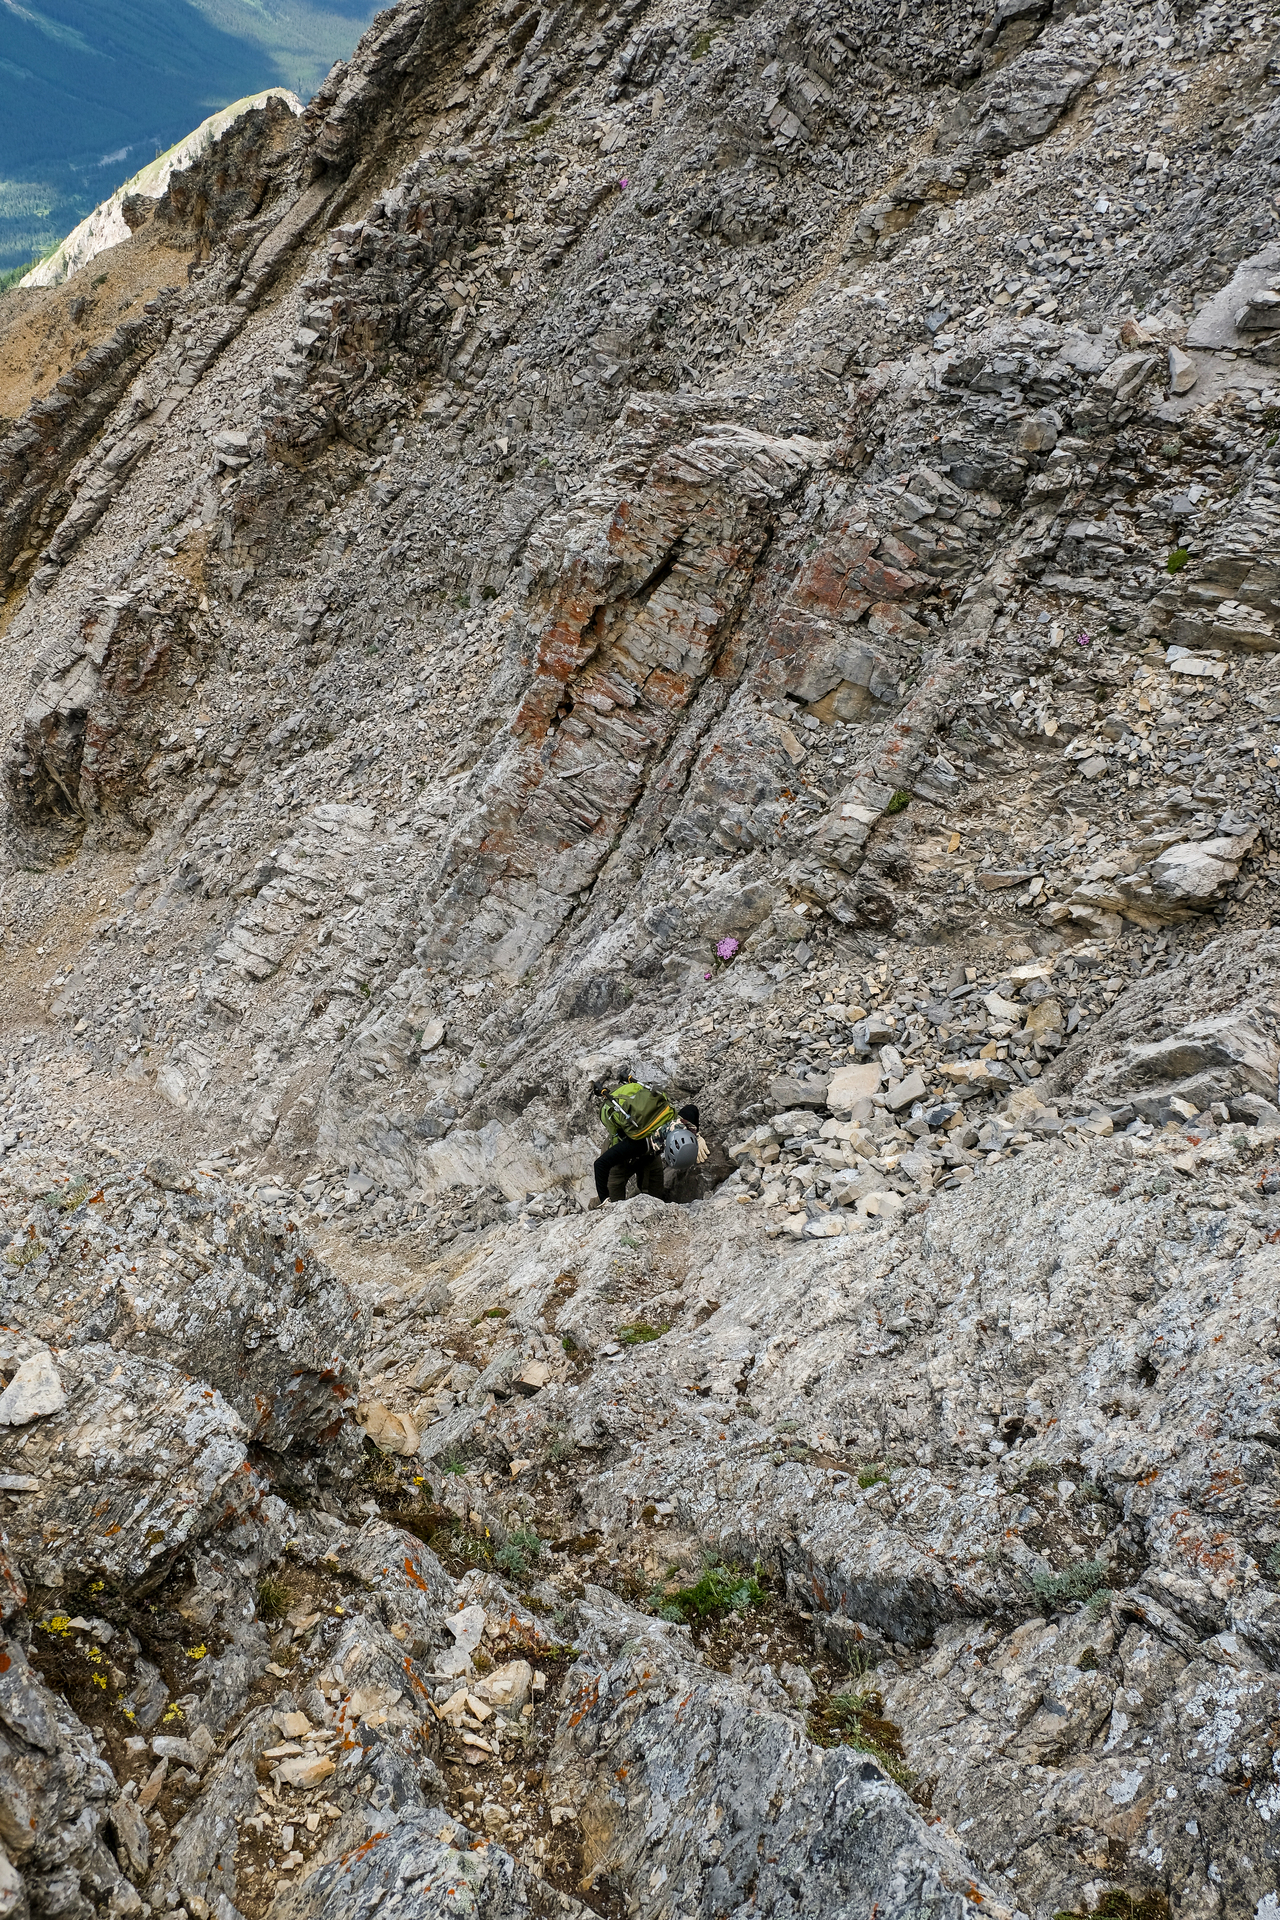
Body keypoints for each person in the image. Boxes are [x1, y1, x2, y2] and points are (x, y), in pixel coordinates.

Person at [592, 1076, 701, 1203]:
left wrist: (697, 1136)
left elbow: (692, 1109)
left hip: (649, 1155)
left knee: (655, 1197)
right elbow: (600, 1164)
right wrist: (605, 1200)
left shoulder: (680, 1124)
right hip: (620, 1163)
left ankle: (636, 1197)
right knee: (614, 1203)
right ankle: (595, 1204)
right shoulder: (637, 1144)